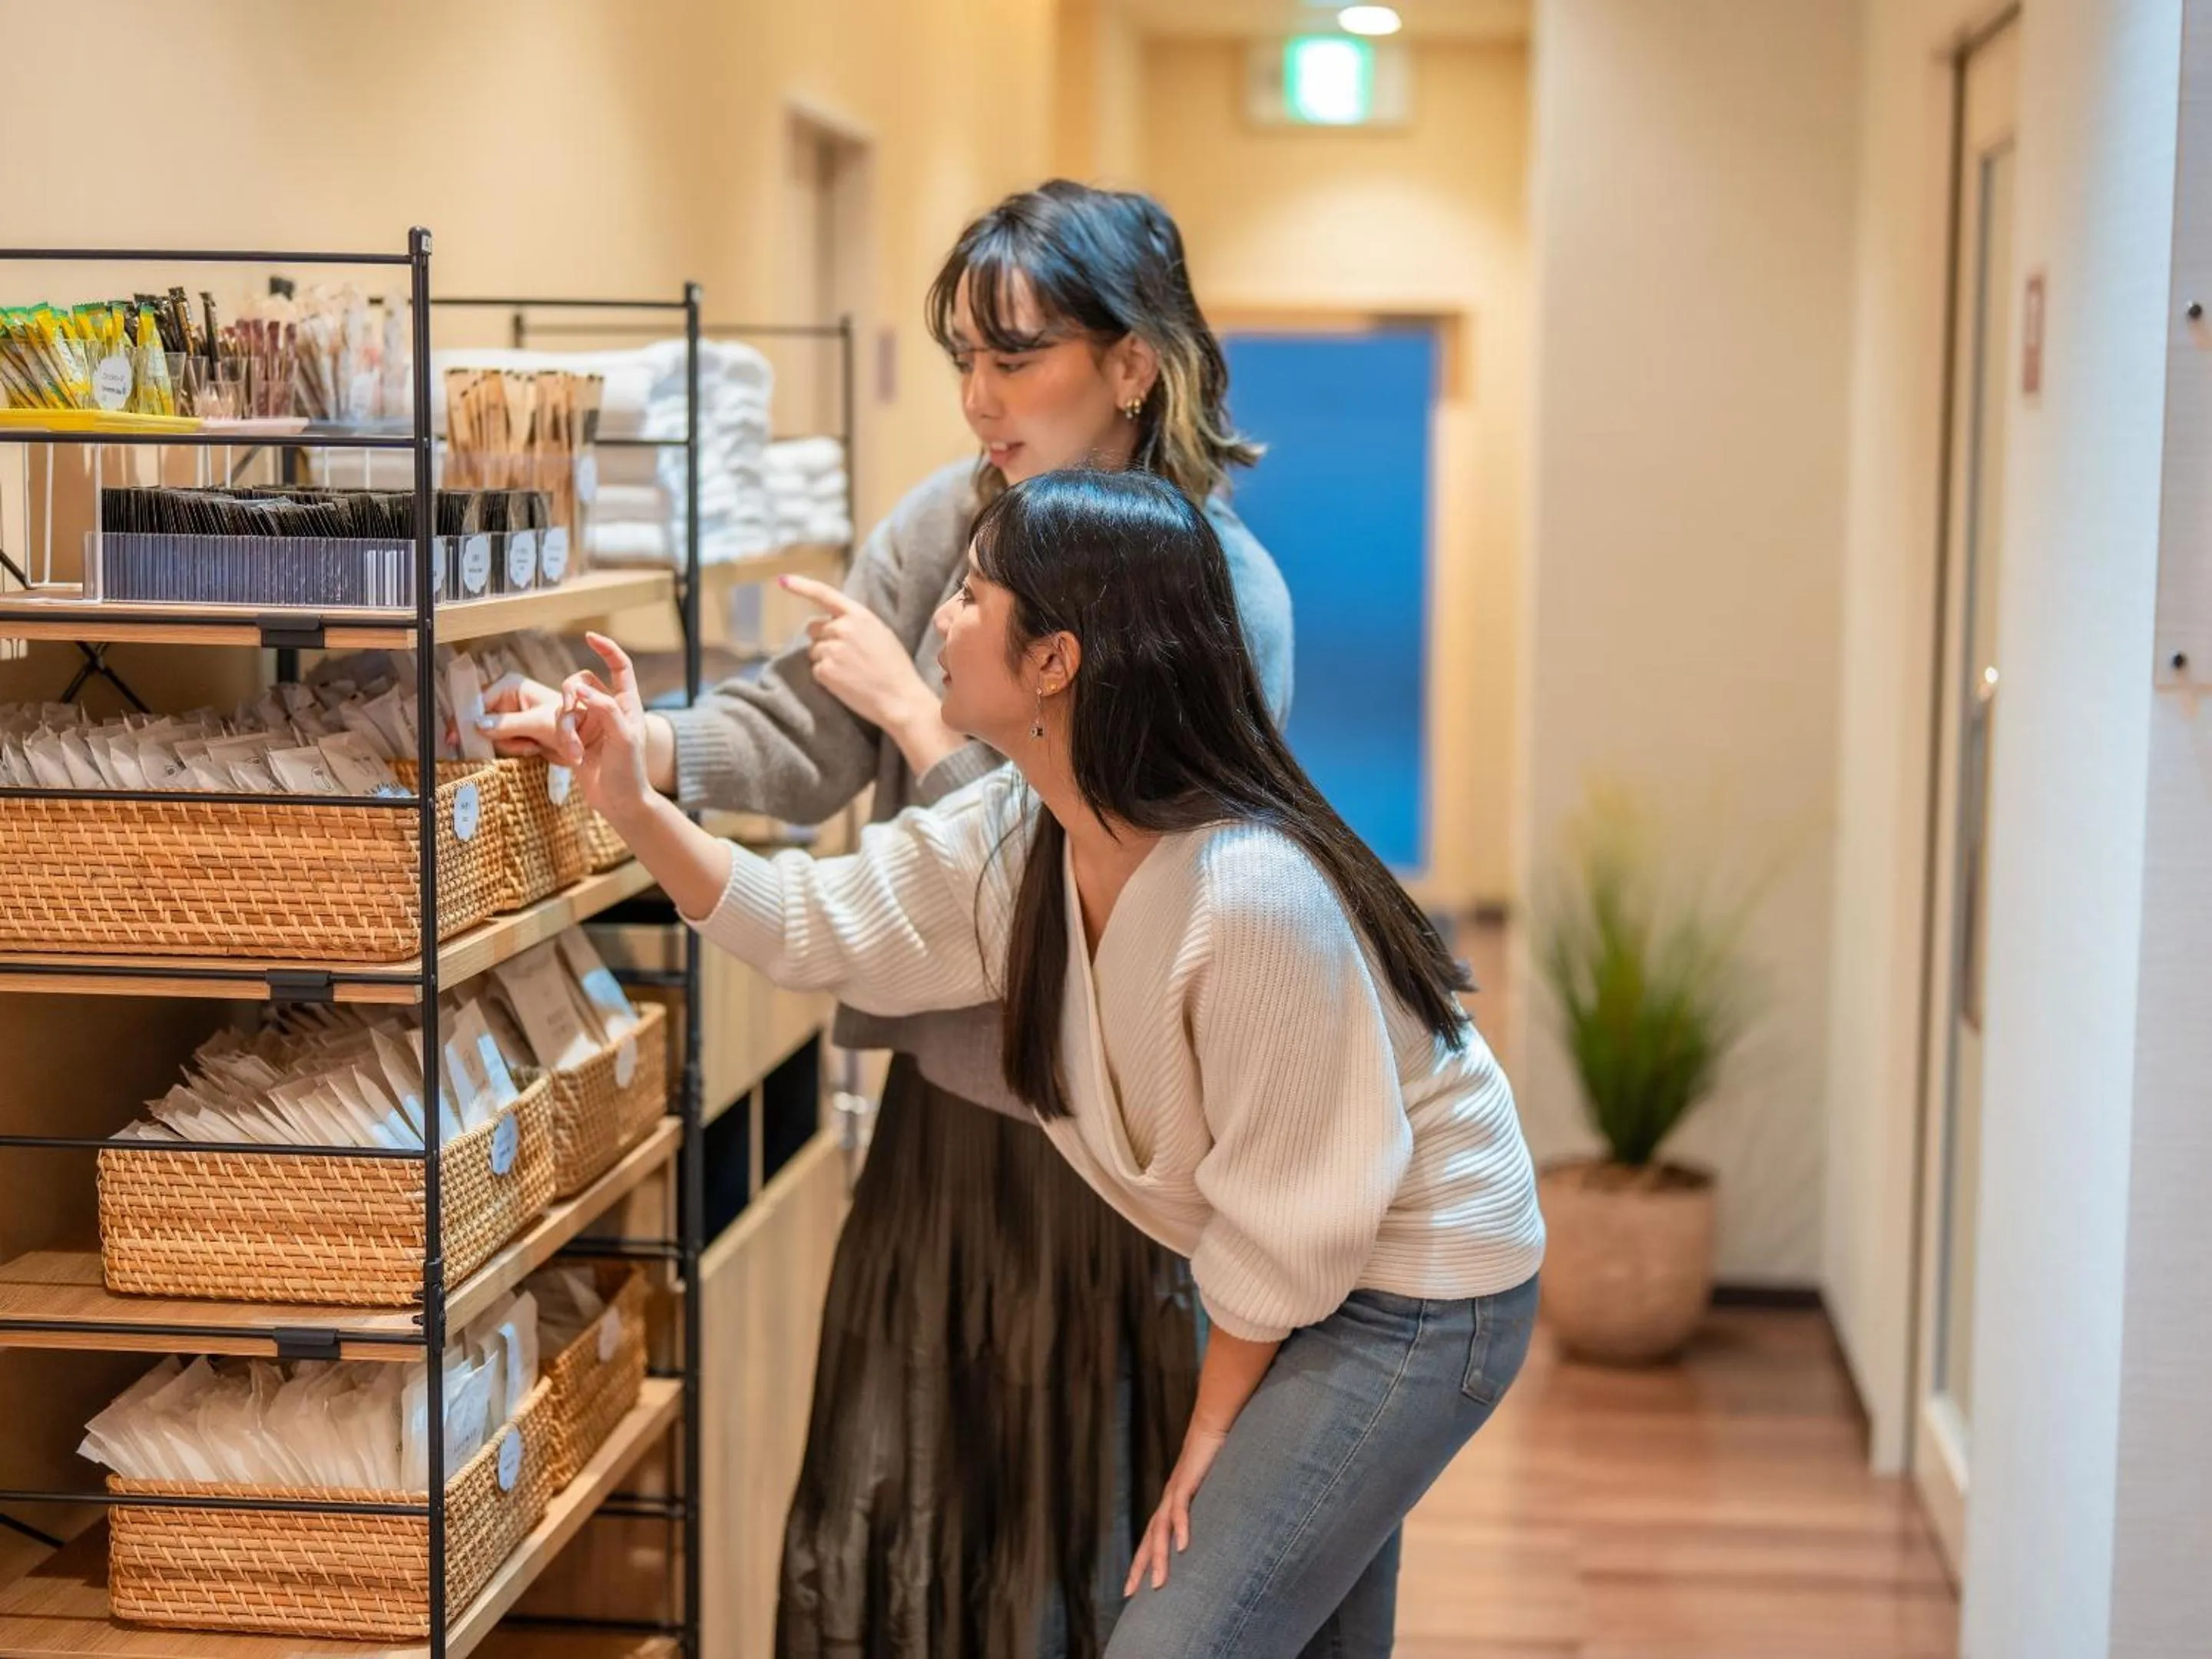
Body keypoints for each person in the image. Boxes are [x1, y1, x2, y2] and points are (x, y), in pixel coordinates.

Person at [482, 181, 1294, 1655]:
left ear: (1135, 363)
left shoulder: (1219, 591)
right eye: (962, 359)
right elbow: (807, 726)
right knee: (912, 1515)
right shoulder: (950, 525)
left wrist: (921, 718)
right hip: (950, 1117)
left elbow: (1122, 873)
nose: (979, 397)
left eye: (1016, 356)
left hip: (1121, 1157)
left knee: (1086, 1532)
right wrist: (632, 740)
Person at [554, 468, 1544, 1658]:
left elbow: (1300, 1227)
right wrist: (631, 803)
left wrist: (1211, 1438)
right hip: (1317, 1266)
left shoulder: (1252, 895)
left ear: (1055, 661)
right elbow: (817, 920)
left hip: (1420, 1291)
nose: (939, 622)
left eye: (971, 597)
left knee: (1179, 1637)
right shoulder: (1026, 831)